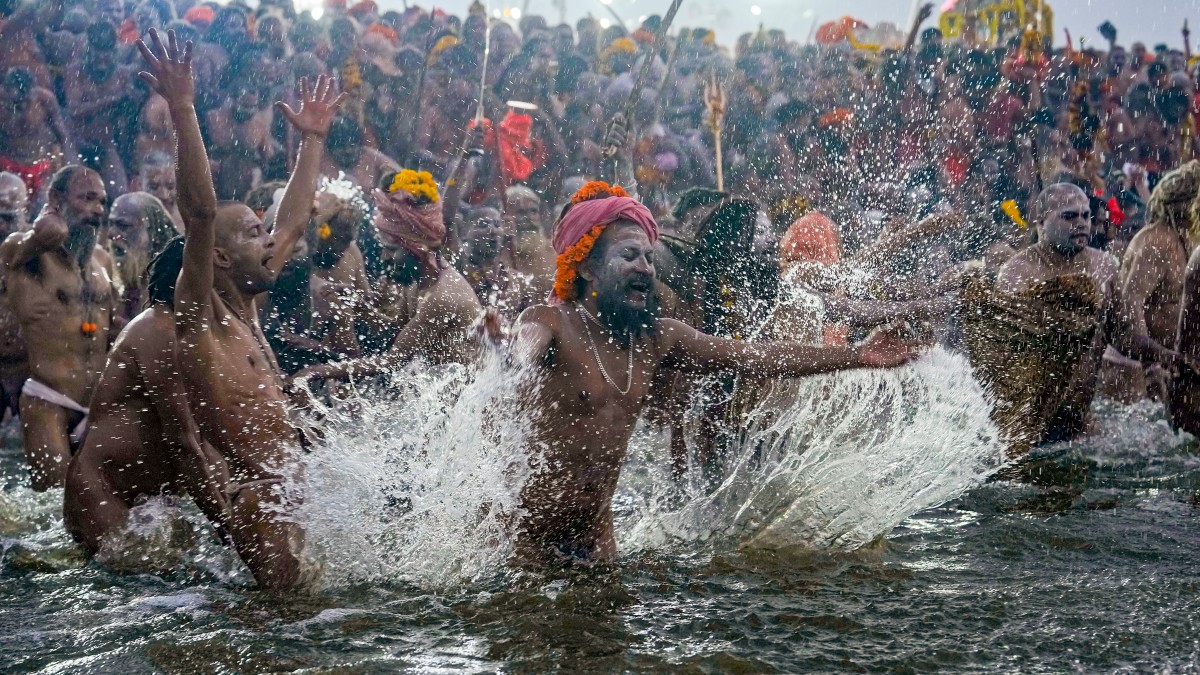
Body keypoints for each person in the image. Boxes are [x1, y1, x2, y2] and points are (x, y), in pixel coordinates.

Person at [509, 182, 916, 565]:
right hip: (523, 542)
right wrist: (508, 354)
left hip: (596, 540)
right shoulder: (550, 322)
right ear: (586, 269)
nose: (646, 268)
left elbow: (759, 357)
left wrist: (861, 355)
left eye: (649, 258)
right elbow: (520, 351)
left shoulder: (657, 339)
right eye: (630, 256)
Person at [137, 28, 345, 590]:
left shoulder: (249, 307)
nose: (270, 241)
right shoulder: (198, 318)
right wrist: (183, 109)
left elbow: (296, 221)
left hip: (293, 493)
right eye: (256, 234)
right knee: (275, 636)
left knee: (299, 628)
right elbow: (201, 214)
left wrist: (313, 141)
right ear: (222, 257)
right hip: (257, 499)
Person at [63, 238, 231, 554]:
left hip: (153, 501)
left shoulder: (205, 332)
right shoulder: (161, 330)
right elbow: (184, 441)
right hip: (104, 490)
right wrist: (229, 530)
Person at [293, 167, 482, 381]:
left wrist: (318, 371)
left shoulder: (444, 295)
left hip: (468, 399)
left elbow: (392, 362)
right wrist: (361, 308)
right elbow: (396, 331)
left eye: (391, 250)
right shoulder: (416, 280)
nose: (383, 257)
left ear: (416, 247)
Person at [0, 165, 116, 490]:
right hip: (47, 400)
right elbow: (19, 250)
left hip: (97, 405)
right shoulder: (24, 254)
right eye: (87, 198)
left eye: (102, 202)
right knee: (55, 508)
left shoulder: (103, 264)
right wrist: (42, 233)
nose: (97, 209)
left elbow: (113, 330)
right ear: (56, 198)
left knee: (104, 503)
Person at [1115, 162, 1198, 396]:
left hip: (1175, 365)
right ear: (1190, 204)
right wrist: (1151, 367)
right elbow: (1130, 302)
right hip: (1139, 372)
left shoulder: (1187, 239)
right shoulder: (1158, 241)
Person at [0, 67, 70, 202]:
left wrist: (67, 172)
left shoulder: (45, 100)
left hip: (40, 169)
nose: (19, 105)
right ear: (5, 90)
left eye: (23, 100)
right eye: (13, 102)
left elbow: (63, 137)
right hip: (6, 167)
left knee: (44, 209)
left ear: (33, 91)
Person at [107, 191, 176, 321]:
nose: (111, 233)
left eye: (124, 225)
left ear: (153, 232)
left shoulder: (173, 282)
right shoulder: (124, 283)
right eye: (111, 224)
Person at [137, 151, 185, 232]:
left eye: (170, 187)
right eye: (154, 187)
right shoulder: (129, 221)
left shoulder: (189, 221)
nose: (164, 196)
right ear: (139, 186)